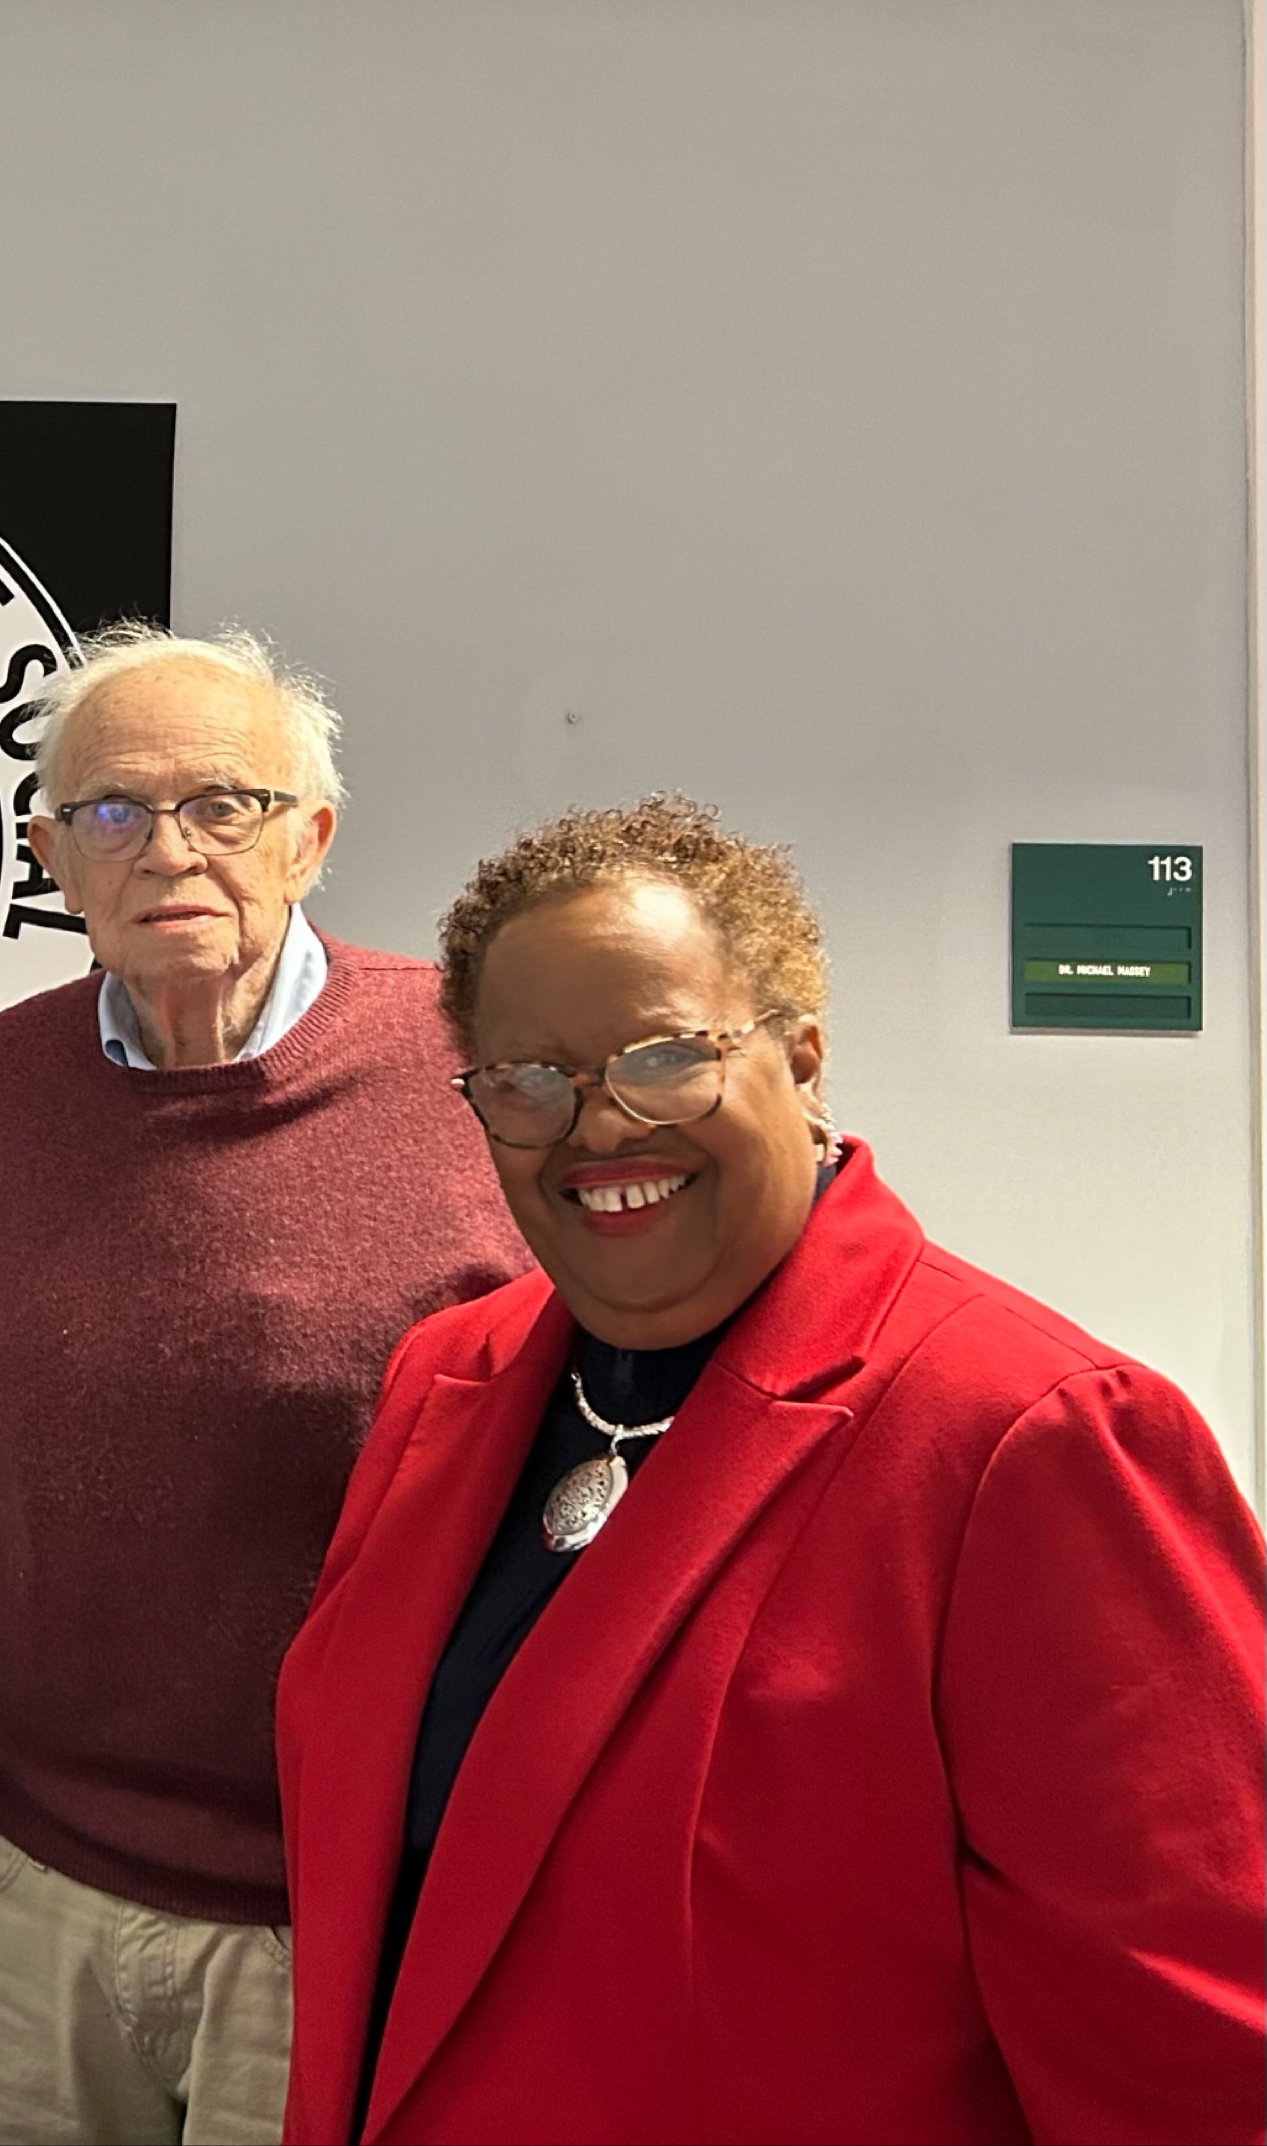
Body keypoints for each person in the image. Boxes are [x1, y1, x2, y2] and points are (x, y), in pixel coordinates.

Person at [275, 795, 1267, 2144]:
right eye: (529, 1081)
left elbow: (1190, 2066)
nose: (600, 1125)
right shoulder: (444, 1380)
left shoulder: (1031, 1440)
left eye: (666, 1057)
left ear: (801, 1056)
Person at [0, 625, 529, 2145]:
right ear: (50, 854)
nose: (169, 850)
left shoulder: (469, 1066)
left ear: (312, 836)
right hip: (31, 1872)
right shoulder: (1, 1083)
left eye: (225, 804)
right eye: (114, 813)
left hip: (330, 1885)